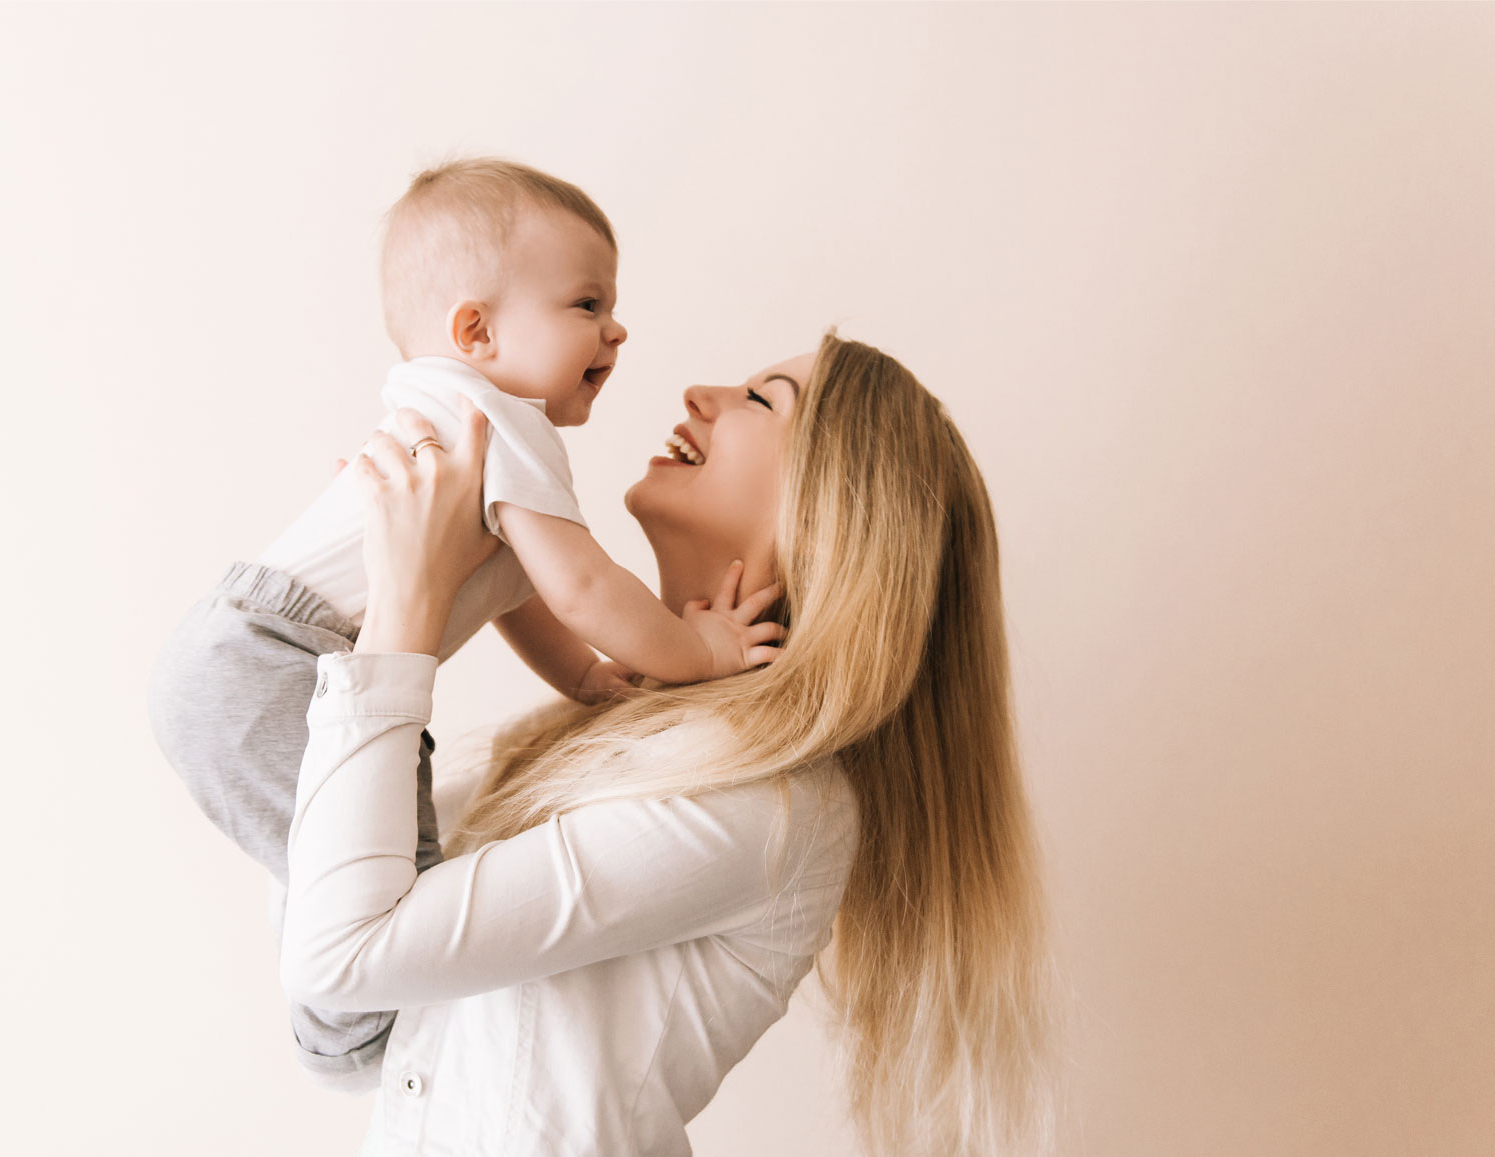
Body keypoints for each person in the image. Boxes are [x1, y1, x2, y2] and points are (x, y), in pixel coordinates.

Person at [191, 332, 1058, 1155]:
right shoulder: (601, 726)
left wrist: (403, 610)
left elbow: (342, 957)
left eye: (762, 397)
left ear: (830, 511)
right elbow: (341, 1022)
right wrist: (382, 596)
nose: (702, 395)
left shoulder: (767, 803)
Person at [147, 159, 781, 1083]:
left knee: (336, 853)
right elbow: (583, 587)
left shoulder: (452, 416)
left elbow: (514, 595)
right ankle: (359, 1045)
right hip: (281, 659)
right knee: (386, 869)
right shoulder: (504, 425)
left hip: (236, 651)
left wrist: (586, 681)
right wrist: (701, 648)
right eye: (586, 304)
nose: (618, 329)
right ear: (477, 331)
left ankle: (351, 1035)